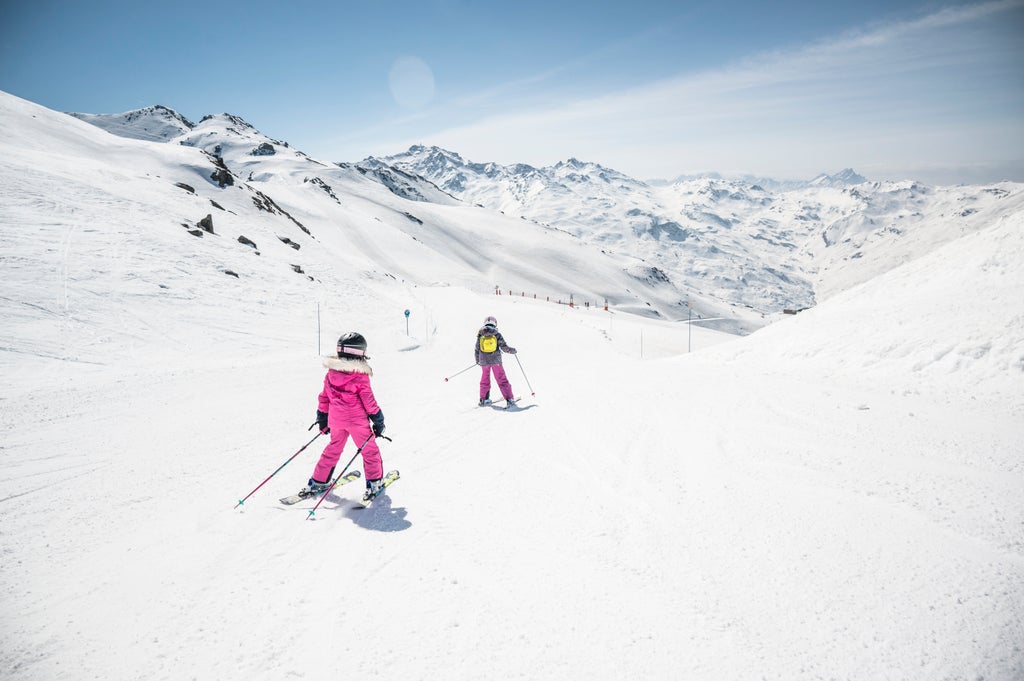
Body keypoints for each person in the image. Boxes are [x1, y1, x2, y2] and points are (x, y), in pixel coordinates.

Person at [306, 331, 386, 499]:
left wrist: (322, 417)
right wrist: (378, 420)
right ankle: (374, 483)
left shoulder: (331, 373)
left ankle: (319, 481)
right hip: (357, 422)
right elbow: (369, 401)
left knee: (333, 448)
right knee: (369, 450)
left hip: (336, 420)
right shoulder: (360, 375)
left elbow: (324, 397)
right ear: (360, 353)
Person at [476, 315, 517, 407]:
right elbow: (504, 347)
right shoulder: (496, 334)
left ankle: (484, 399)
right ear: (495, 323)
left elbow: (477, 349)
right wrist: (512, 350)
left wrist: (477, 360)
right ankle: (509, 399)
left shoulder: (481, 334)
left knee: (485, 380)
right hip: (496, 361)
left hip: (484, 361)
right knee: (501, 379)